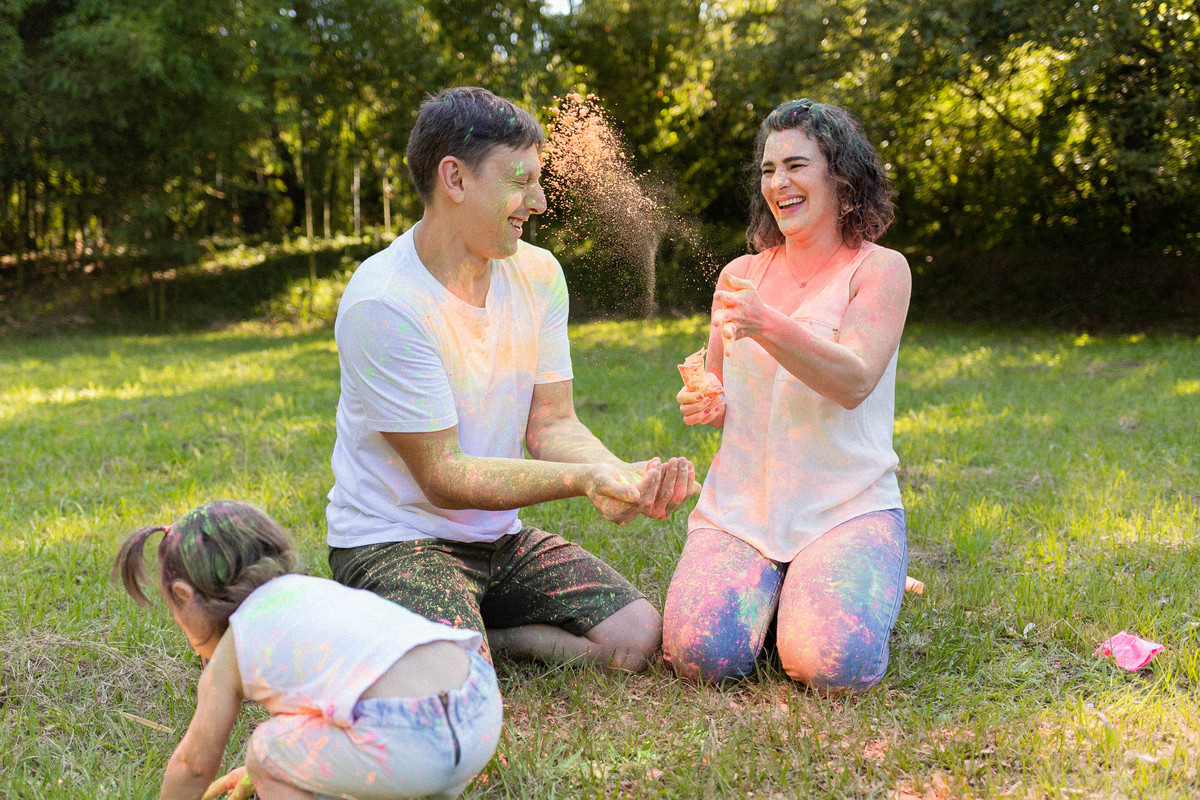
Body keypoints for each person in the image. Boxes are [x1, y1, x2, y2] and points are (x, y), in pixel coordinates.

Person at [325, 86, 696, 673]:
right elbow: (444, 476)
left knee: (636, 637)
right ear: (455, 179)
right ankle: (420, 632)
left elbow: (552, 422)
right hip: (395, 541)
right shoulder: (384, 303)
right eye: (520, 181)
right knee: (453, 677)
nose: (540, 201)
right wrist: (582, 478)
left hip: (499, 542)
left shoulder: (539, 274)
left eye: (539, 181)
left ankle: (488, 638)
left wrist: (618, 477)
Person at [662, 99, 912, 693]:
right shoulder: (739, 275)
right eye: (769, 170)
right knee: (701, 657)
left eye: (796, 165)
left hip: (845, 507)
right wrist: (707, 399)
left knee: (832, 665)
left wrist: (768, 323)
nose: (779, 183)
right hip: (742, 510)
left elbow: (853, 380)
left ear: (840, 177)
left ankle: (847, 580)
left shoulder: (880, 270)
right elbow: (718, 383)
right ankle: (788, 591)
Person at [113, 500, 501, 800]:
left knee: (266, 749)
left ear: (184, 596)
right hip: (480, 707)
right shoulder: (312, 592)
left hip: (416, 746)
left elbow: (194, 765)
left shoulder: (235, 647)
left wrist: (268, 767)